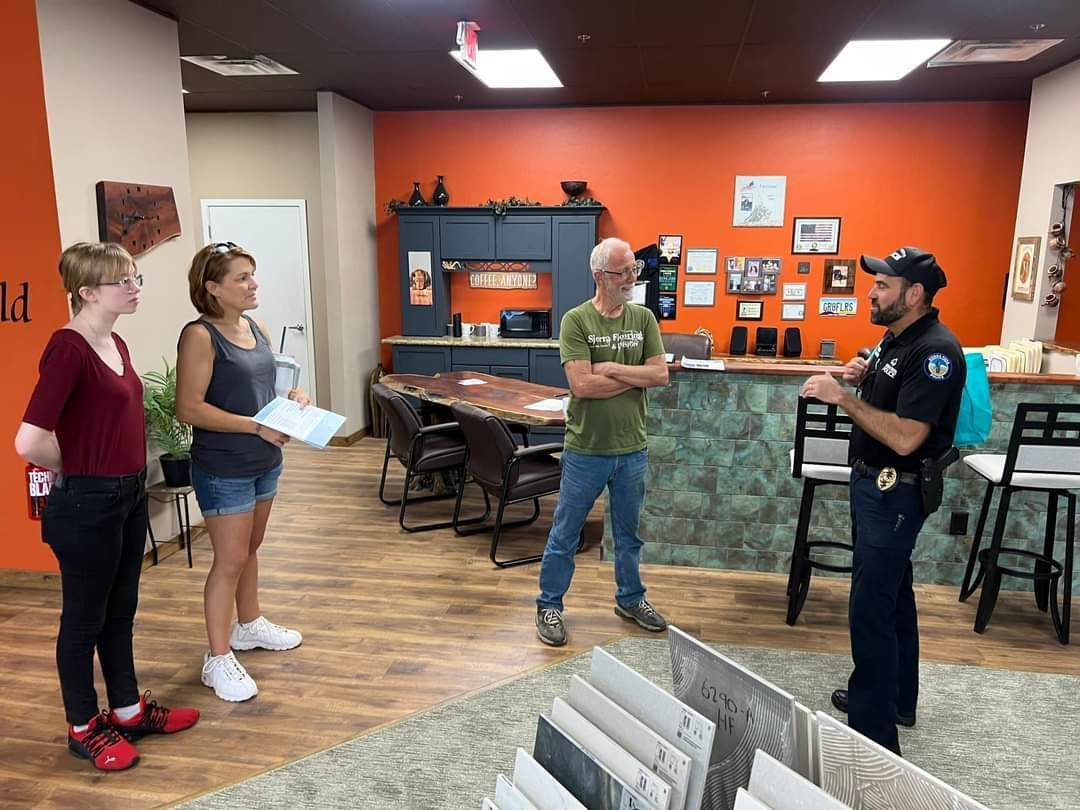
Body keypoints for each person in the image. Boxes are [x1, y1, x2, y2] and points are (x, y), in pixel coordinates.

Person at [15, 242, 199, 771]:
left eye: (135, 277)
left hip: (127, 494)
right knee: (83, 621)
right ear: (87, 292)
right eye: (123, 281)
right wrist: (80, 468)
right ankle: (82, 726)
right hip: (87, 504)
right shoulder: (68, 349)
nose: (134, 287)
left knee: (120, 613)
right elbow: (29, 441)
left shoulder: (114, 341)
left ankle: (127, 709)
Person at [799, 246, 965, 755]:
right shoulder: (897, 340)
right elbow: (890, 399)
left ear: (914, 294)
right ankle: (895, 698)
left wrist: (842, 397)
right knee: (893, 595)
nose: (870, 291)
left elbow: (908, 437)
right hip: (875, 485)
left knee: (870, 607)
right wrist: (862, 379)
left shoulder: (934, 352)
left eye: (882, 285)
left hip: (897, 489)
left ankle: (874, 737)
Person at [176, 242, 310, 702]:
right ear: (213, 289)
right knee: (229, 560)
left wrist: (294, 398)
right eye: (241, 278)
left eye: (253, 275)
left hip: (264, 460)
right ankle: (217, 658)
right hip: (223, 466)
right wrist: (255, 426)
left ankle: (249, 625)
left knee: (250, 548)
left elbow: (268, 386)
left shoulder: (256, 327)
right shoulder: (199, 336)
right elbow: (188, 408)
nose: (253, 285)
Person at [535, 237, 670, 647]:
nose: (632, 277)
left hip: (633, 449)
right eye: (623, 271)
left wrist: (610, 368)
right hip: (586, 449)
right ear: (599, 276)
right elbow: (581, 385)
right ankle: (549, 604)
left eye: (633, 269)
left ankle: (630, 598)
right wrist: (632, 376)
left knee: (628, 535)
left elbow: (661, 375)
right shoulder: (576, 321)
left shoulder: (643, 319)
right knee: (566, 532)